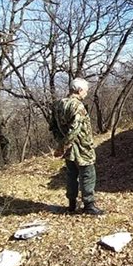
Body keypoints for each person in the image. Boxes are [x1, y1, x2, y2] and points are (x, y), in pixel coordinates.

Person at [52, 78, 104, 215]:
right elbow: (75, 129)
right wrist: (63, 146)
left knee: (71, 174)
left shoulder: (58, 104)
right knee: (88, 174)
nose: (86, 94)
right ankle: (89, 205)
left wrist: (61, 142)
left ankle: (72, 204)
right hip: (81, 147)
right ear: (79, 90)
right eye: (85, 91)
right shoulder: (77, 106)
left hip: (68, 149)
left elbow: (53, 127)